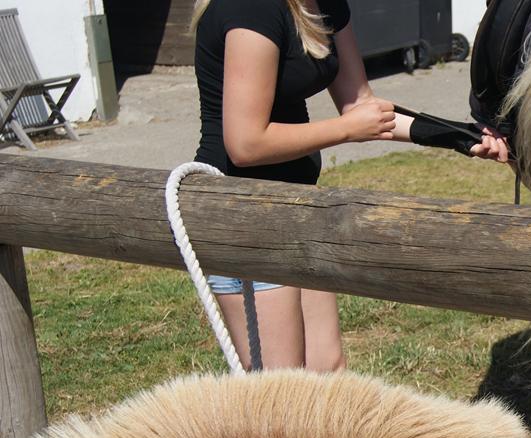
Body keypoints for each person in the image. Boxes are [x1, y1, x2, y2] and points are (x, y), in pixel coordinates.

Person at [192, 0, 508, 371]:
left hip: (295, 204)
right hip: (242, 214)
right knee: (282, 391)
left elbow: (362, 106)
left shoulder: (325, 5)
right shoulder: (253, 10)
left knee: (328, 369)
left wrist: (460, 136)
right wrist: (346, 131)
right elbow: (245, 144)